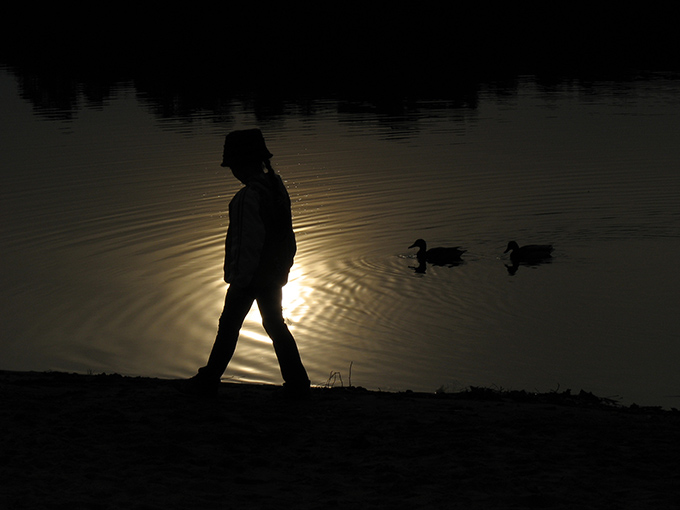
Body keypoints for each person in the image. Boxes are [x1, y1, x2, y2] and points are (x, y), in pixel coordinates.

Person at [182, 129, 310, 398]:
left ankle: (209, 378)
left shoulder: (247, 198)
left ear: (241, 166)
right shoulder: (278, 188)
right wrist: (283, 269)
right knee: (275, 324)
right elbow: (288, 236)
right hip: (274, 273)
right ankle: (298, 381)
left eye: (233, 167)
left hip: (250, 277)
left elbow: (247, 242)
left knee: (229, 325)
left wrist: (239, 279)